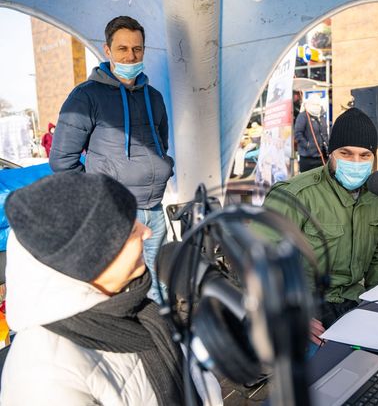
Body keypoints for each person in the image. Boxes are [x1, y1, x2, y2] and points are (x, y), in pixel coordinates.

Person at [0, 172, 222, 405]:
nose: (146, 232)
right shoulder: (44, 379)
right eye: (131, 231)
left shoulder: (131, 302)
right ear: (91, 258)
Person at [49, 16, 173, 303]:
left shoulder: (153, 97)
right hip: (117, 213)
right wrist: (99, 195)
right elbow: (62, 160)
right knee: (122, 293)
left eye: (137, 49)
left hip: (154, 210)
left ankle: (163, 331)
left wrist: (162, 166)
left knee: (160, 287)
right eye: (122, 49)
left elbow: (161, 143)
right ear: (107, 50)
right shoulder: (86, 97)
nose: (131, 56)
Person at [263, 108, 378, 328]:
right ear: (331, 153)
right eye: (346, 153)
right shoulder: (294, 195)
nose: (356, 162)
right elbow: (258, 258)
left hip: (353, 299)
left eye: (364, 155)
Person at [294, 95, 329, 172]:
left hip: (322, 156)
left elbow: (324, 134)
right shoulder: (303, 116)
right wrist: (307, 145)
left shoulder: (321, 116)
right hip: (308, 157)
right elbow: (298, 133)